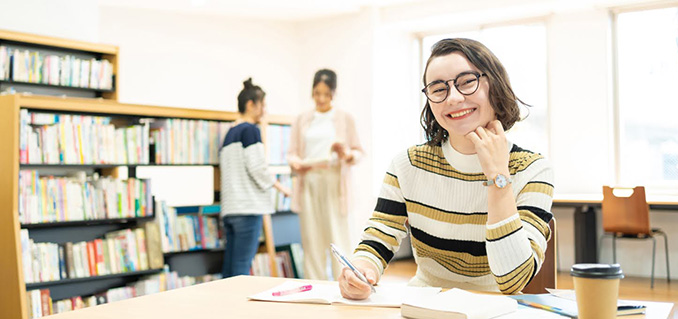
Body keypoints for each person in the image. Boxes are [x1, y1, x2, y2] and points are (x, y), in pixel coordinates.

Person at [339, 38, 554, 298]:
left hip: (498, 309)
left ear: (494, 85)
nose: (453, 98)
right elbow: (380, 235)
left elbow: (512, 280)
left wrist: (497, 177)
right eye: (438, 88)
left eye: (466, 82)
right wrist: (361, 270)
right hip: (424, 305)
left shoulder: (533, 169)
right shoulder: (408, 164)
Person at [287, 69, 364, 280]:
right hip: (309, 181)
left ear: (334, 93)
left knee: (338, 238)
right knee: (311, 240)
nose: (320, 99)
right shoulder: (302, 119)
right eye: (316, 93)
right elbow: (292, 152)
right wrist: (295, 162)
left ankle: (345, 285)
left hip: (334, 182)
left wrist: (347, 154)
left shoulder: (345, 118)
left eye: (325, 94)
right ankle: (316, 289)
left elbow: (358, 152)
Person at [220, 78, 291, 278]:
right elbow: (258, 168)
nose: (264, 111)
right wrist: (281, 187)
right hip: (248, 209)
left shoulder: (230, 132)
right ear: (251, 105)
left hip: (230, 210)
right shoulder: (250, 130)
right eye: (263, 106)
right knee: (241, 270)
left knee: (230, 270)